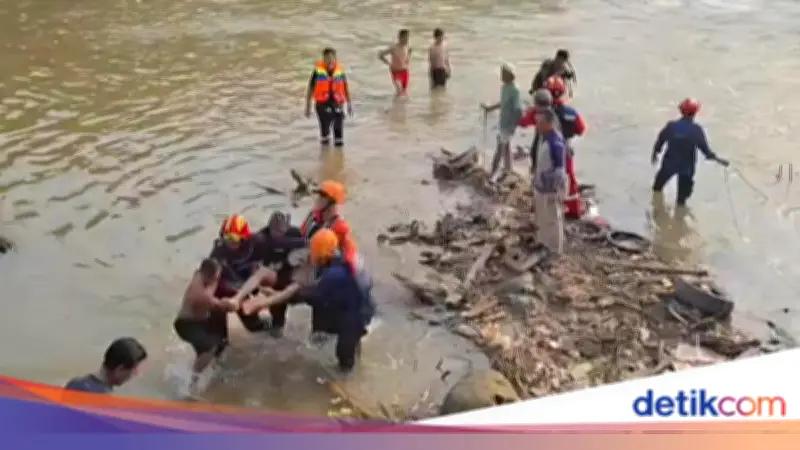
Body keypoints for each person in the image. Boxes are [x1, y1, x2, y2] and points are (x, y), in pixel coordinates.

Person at [242, 229, 375, 374]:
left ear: (322, 256)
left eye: (313, 252)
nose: (310, 255)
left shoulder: (332, 276)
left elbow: (310, 297)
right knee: (329, 332)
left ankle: (347, 380)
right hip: (351, 302)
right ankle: (351, 353)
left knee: (344, 353)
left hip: (356, 313)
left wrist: (272, 298)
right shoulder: (343, 258)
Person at [206, 215, 278, 354]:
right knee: (219, 341)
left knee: (255, 327)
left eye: (233, 239)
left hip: (242, 291)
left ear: (244, 238)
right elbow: (210, 280)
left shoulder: (258, 243)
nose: (229, 243)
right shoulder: (219, 251)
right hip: (222, 295)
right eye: (226, 238)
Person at [173, 258, 238, 390]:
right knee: (209, 348)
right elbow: (223, 306)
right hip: (186, 324)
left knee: (221, 342)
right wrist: (232, 302)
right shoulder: (201, 295)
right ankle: (192, 380)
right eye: (216, 277)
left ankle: (217, 367)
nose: (217, 279)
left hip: (201, 319)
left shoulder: (199, 275)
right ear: (210, 277)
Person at [651, 98, 730, 206]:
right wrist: (718, 159)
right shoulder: (696, 130)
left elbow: (660, 140)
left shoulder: (671, 126)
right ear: (695, 113)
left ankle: (656, 210)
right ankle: (680, 219)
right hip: (686, 168)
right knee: (681, 201)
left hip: (669, 164)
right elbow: (706, 152)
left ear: (681, 110)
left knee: (657, 188)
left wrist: (655, 153)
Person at [254, 211, 308, 338]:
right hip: (274, 280)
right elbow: (254, 267)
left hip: (291, 276)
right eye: (275, 233)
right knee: (277, 321)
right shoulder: (261, 240)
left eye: (281, 233)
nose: (278, 236)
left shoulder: (294, 234)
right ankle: (277, 330)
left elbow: (307, 249)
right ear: (269, 229)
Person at [544, 76, 587, 218]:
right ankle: (573, 210)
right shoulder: (570, 112)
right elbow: (581, 129)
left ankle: (549, 208)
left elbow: (525, 120)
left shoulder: (543, 113)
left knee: (546, 178)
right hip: (565, 149)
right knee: (570, 179)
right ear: (563, 92)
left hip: (546, 150)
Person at [299, 180, 361, 270]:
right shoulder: (313, 214)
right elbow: (301, 232)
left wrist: (350, 264)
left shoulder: (339, 226)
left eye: (322, 196)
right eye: (319, 195)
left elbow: (350, 248)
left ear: (332, 204)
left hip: (317, 266)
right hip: (303, 255)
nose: (318, 199)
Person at [532, 108, 567, 255]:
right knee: (541, 218)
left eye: (540, 123)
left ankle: (555, 250)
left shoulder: (555, 143)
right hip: (540, 187)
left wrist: (552, 188)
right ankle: (542, 243)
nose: (537, 126)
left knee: (553, 219)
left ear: (548, 124)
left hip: (550, 189)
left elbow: (559, 170)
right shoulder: (544, 138)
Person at [481, 63, 523, 181]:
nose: (501, 76)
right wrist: (490, 108)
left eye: (503, 74)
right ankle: (508, 168)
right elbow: (503, 103)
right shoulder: (504, 87)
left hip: (509, 123)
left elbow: (518, 109)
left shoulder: (515, 90)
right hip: (503, 121)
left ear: (510, 75)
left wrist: (516, 123)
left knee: (500, 148)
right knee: (506, 145)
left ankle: (493, 173)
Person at [305, 47, 353, 148]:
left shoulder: (340, 71)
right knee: (325, 132)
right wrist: (307, 106)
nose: (330, 60)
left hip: (337, 104)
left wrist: (349, 104)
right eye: (327, 58)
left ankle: (339, 159)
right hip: (322, 105)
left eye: (332, 58)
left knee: (339, 134)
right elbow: (310, 88)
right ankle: (325, 157)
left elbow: (345, 87)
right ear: (323, 59)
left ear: (335, 58)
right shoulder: (317, 72)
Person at [65, 337, 147, 394]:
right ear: (119, 370)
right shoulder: (106, 401)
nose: (138, 374)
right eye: (134, 371)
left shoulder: (74, 384)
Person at [518, 88, 557, 167]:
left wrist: (524, 112)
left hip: (542, 142)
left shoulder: (535, 113)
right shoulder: (555, 113)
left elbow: (523, 123)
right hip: (556, 147)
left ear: (536, 104)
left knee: (535, 155)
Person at [379, 29, 412, 96]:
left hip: (405, 71)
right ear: (400, 37)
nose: (407, 39)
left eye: (407, 37)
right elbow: (381, 55)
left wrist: (408, 59)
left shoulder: (407, 47)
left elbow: (410, 51)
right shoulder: (394, 47)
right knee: (399, 90)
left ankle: (398, 105)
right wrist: (388, 63)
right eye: (405, 37)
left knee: (404, 91)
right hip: (395, 72)